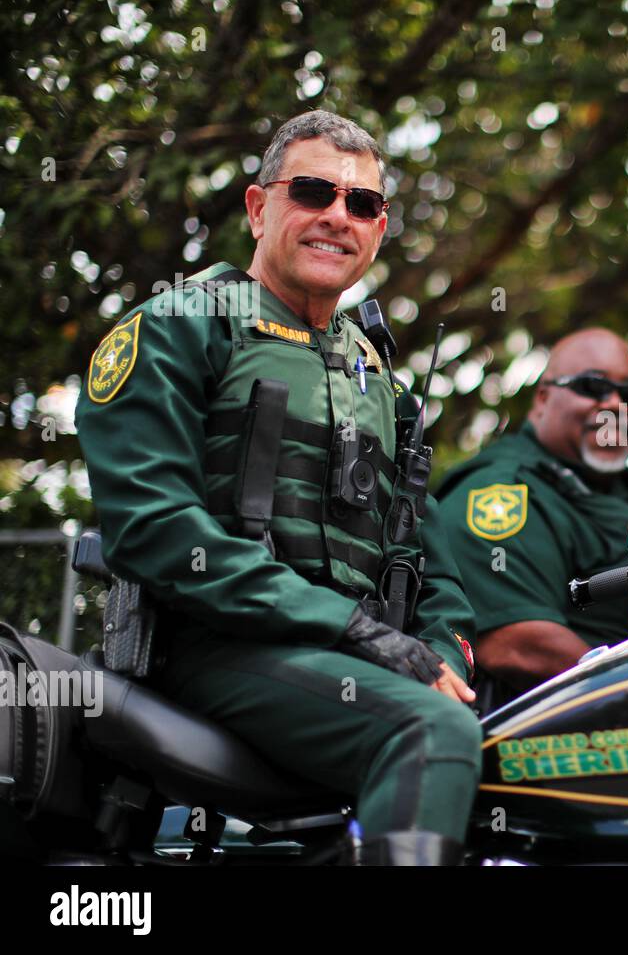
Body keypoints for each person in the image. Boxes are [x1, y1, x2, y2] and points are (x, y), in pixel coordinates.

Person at [75, 110, 481, 865]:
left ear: (379, 230)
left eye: (361, 204)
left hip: (355, 663)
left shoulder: (380, 381)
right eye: (314, 192)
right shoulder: (182, 324)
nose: (337, 216)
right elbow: (154, 530)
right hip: (218, 648)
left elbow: (429, 561)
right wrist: (356, 632)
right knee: (431, 731)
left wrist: (444, 662)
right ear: (260, 207)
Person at [435, 329, 628, 710]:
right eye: (592, 386)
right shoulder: (501, 491)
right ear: (542, 399)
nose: (614, 404)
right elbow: (514, 644)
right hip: (569, 731)